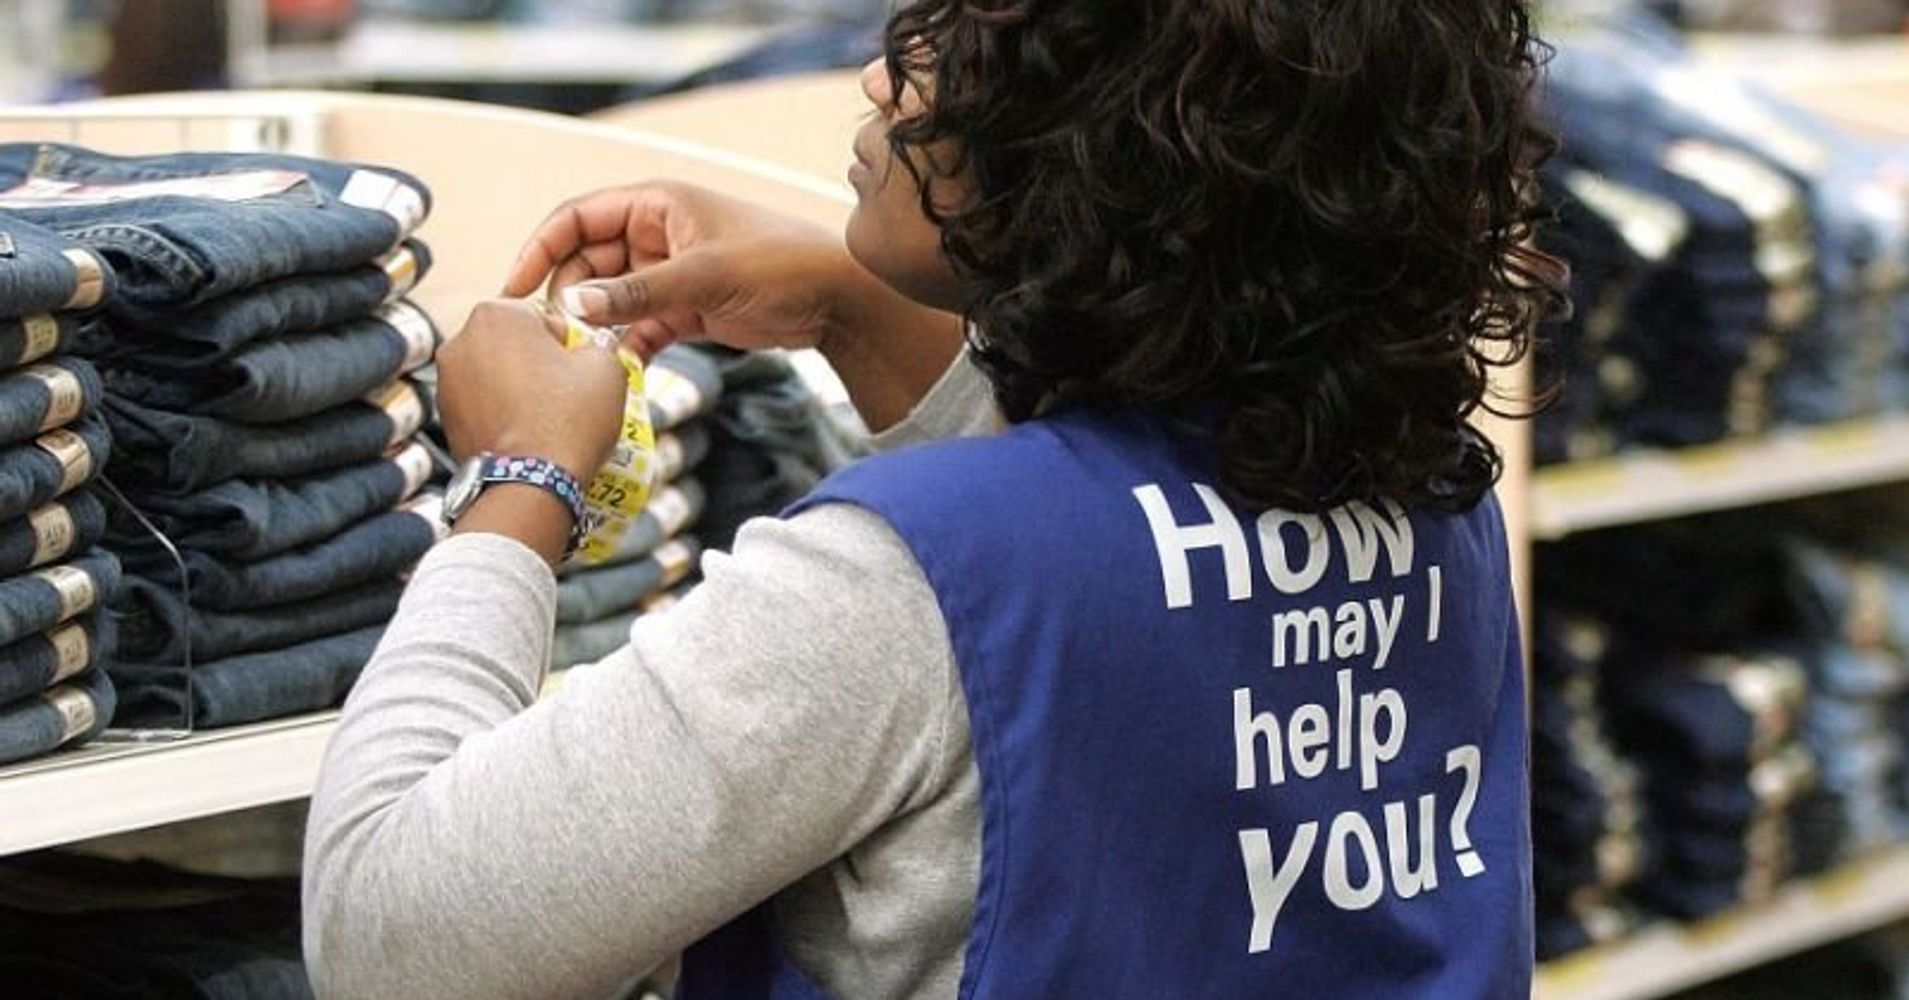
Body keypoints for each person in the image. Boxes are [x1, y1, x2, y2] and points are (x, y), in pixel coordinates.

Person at [302, 1, 1563, 996]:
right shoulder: (1431, 507)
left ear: (1093, 142)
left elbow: (391, 938)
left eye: (953, 44)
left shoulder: (893, 582)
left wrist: (519, 478)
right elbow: (1106, 560)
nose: (879, 80)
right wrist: (865, 310)